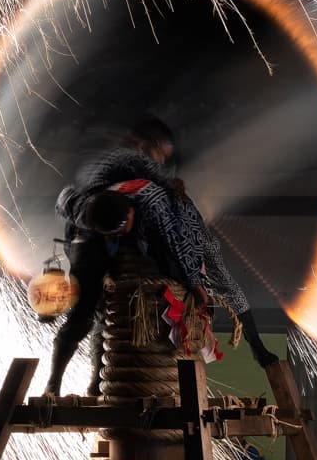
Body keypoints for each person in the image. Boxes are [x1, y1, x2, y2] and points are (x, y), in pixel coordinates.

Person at [71, 117, 278, 370]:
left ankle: (255, 344)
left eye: (164, 158)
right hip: (120, 232)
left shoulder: (158, 193)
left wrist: (193, 279)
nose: (161, 162)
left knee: (218, 272)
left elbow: (176, 232)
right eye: (158, 154)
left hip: (174, 229)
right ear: (140, 143)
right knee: (104, 304)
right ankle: (96, 372)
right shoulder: (123, 164)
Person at [44, 182, 209, 395]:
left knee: (108, 317)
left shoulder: (153, 207)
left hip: (128, 244)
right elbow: (65, 199)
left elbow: (177, 246)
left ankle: (97, 385)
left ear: (130, 211)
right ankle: (52, 384)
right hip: (88, 248)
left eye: (122, 228)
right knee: (83, 314)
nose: (121, 232)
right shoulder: (82, 213)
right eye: (115, 231)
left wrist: (194, 283)